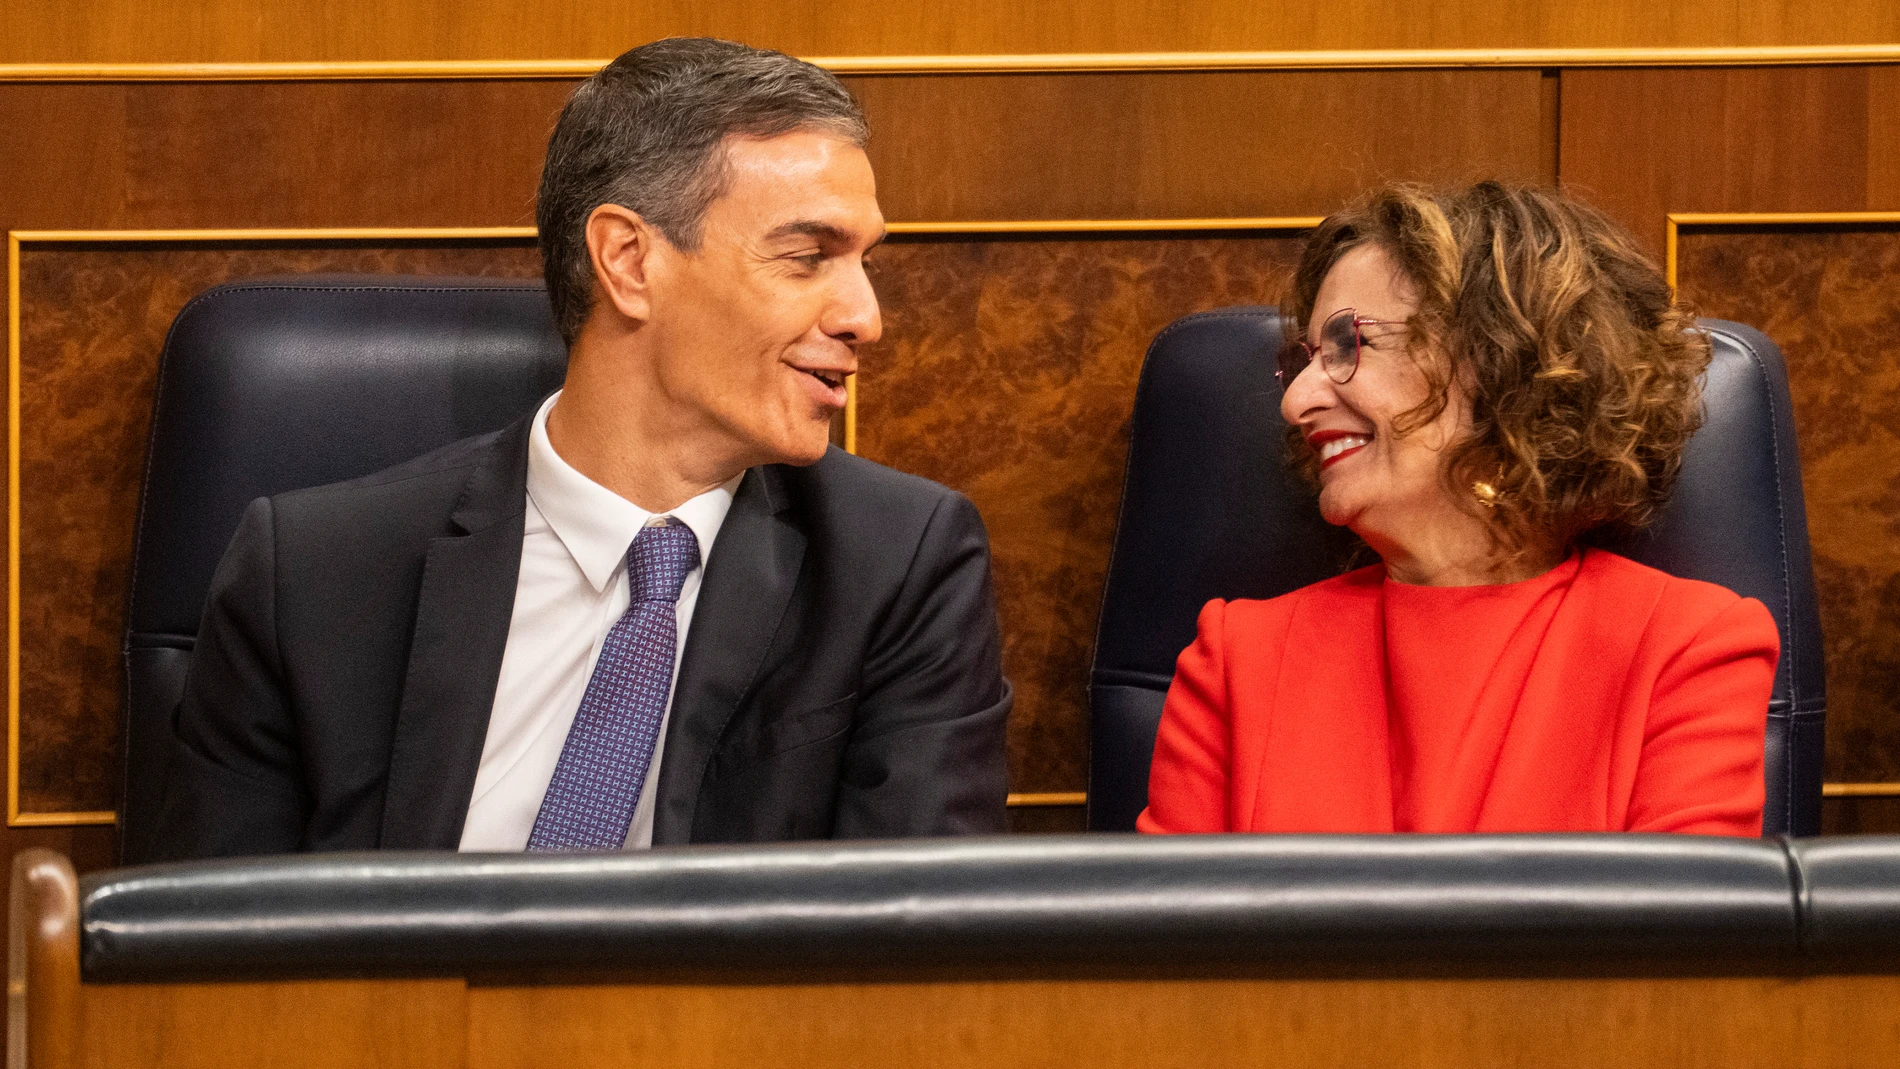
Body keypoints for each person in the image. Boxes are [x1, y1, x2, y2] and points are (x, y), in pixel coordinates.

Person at [156, 38, 1011, 857]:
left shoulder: (897, 568)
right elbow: (208, 958)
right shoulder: (313, 576)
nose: (866, 317)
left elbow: (910, 962)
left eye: (864, 262)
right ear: (629, 260)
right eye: (807, 257)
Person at [1138, 182, 1779, 838]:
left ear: (1501, 359)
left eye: (1347, 345)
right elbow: (1170, 935)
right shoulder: (1234, 660)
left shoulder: (1689, 649)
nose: (1296, 401)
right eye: (1302, 362)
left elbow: (1677, 938)